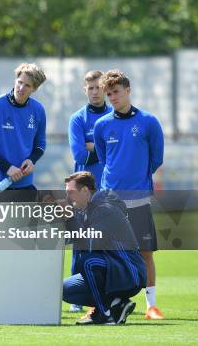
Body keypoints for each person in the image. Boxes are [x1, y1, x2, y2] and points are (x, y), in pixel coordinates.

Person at [94, 70, 165, 320]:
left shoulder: (148, 121)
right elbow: (104, 159)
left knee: (145, 253)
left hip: (138, 200)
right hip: (110, 203)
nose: (112, 97)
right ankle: (101, 302)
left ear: (128, 90)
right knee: (105, 253)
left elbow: (156, 159)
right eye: (109, 93)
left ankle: (151, 306)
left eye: (116, 92)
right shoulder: (102, 124)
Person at [62, 171, 146, 325]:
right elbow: (68, 238)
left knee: (89, 261)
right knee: (64, 289)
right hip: (110, 270)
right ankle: (117, 304)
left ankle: (105, 314)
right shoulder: (82, 211)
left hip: (128, 274)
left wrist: (70, 219)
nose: (68, 198)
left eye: (71, 193)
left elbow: (88, 241)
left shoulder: (105, 209)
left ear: (85, 191)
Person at [67, 70, 111, 313]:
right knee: (80, 242)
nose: (94, 92)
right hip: (82, 192)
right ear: (85, 90)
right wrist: (103, 146)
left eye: (98, 87)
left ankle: (106, 290)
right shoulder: (77, 119)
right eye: (90, 88)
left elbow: (117, 151)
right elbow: (80, 154)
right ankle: (76, 294)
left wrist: (95, 146)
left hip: (106, 189)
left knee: (106, 242)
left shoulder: (113, 116)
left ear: (104, 88)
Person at [0, 63, 47, 201]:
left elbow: (40, 144)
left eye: (27, 85)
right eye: (20, 82)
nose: (21, 88)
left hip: (24, 184)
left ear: (35, 89)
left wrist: (32, 160)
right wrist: (7, 167)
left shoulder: (38, 110)